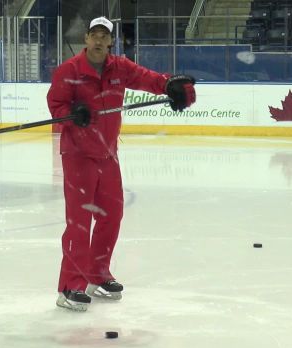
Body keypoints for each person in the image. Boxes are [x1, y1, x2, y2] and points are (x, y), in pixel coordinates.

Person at [46, 16, 196, 312]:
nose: (99, 41)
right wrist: (73, 113)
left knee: (111, 216)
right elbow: (56, 106)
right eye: (94, 35)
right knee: (79, 223)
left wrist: (171, 86)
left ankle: (97, 274)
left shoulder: (120, 67)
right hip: (78, 156)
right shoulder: (70, 70)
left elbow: (149, 79)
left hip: (108, 155)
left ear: (111, 41)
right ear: (86, 39)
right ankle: (69, 287)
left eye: (105, 36)